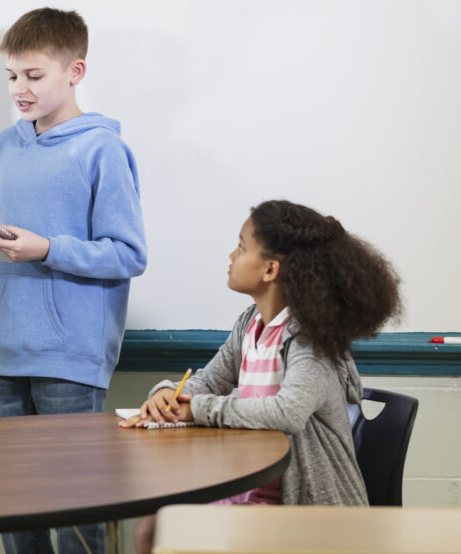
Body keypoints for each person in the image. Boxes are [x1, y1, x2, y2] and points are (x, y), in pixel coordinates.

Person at [0, 7, 148, 554]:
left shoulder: (103, 151)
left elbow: (128, 254)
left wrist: (46, 248)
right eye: (11, 76)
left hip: (71, 356)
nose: (19, 89)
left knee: (73, 507)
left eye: (33, 75)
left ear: (75, 72)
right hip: (5, 351)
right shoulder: (7, 147)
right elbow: (0, 250)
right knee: (13, 503)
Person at [120, 200, 402, 554]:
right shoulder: (250, 323)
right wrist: (166, 393)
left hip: (301, 504)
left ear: (270, 270)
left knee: (174, 536)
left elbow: (288, 412)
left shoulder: (308, 339)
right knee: (152, 529)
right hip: (253, 490)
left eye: (240, 247)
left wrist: (199, 409)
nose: (230, 255)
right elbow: (208, 380)